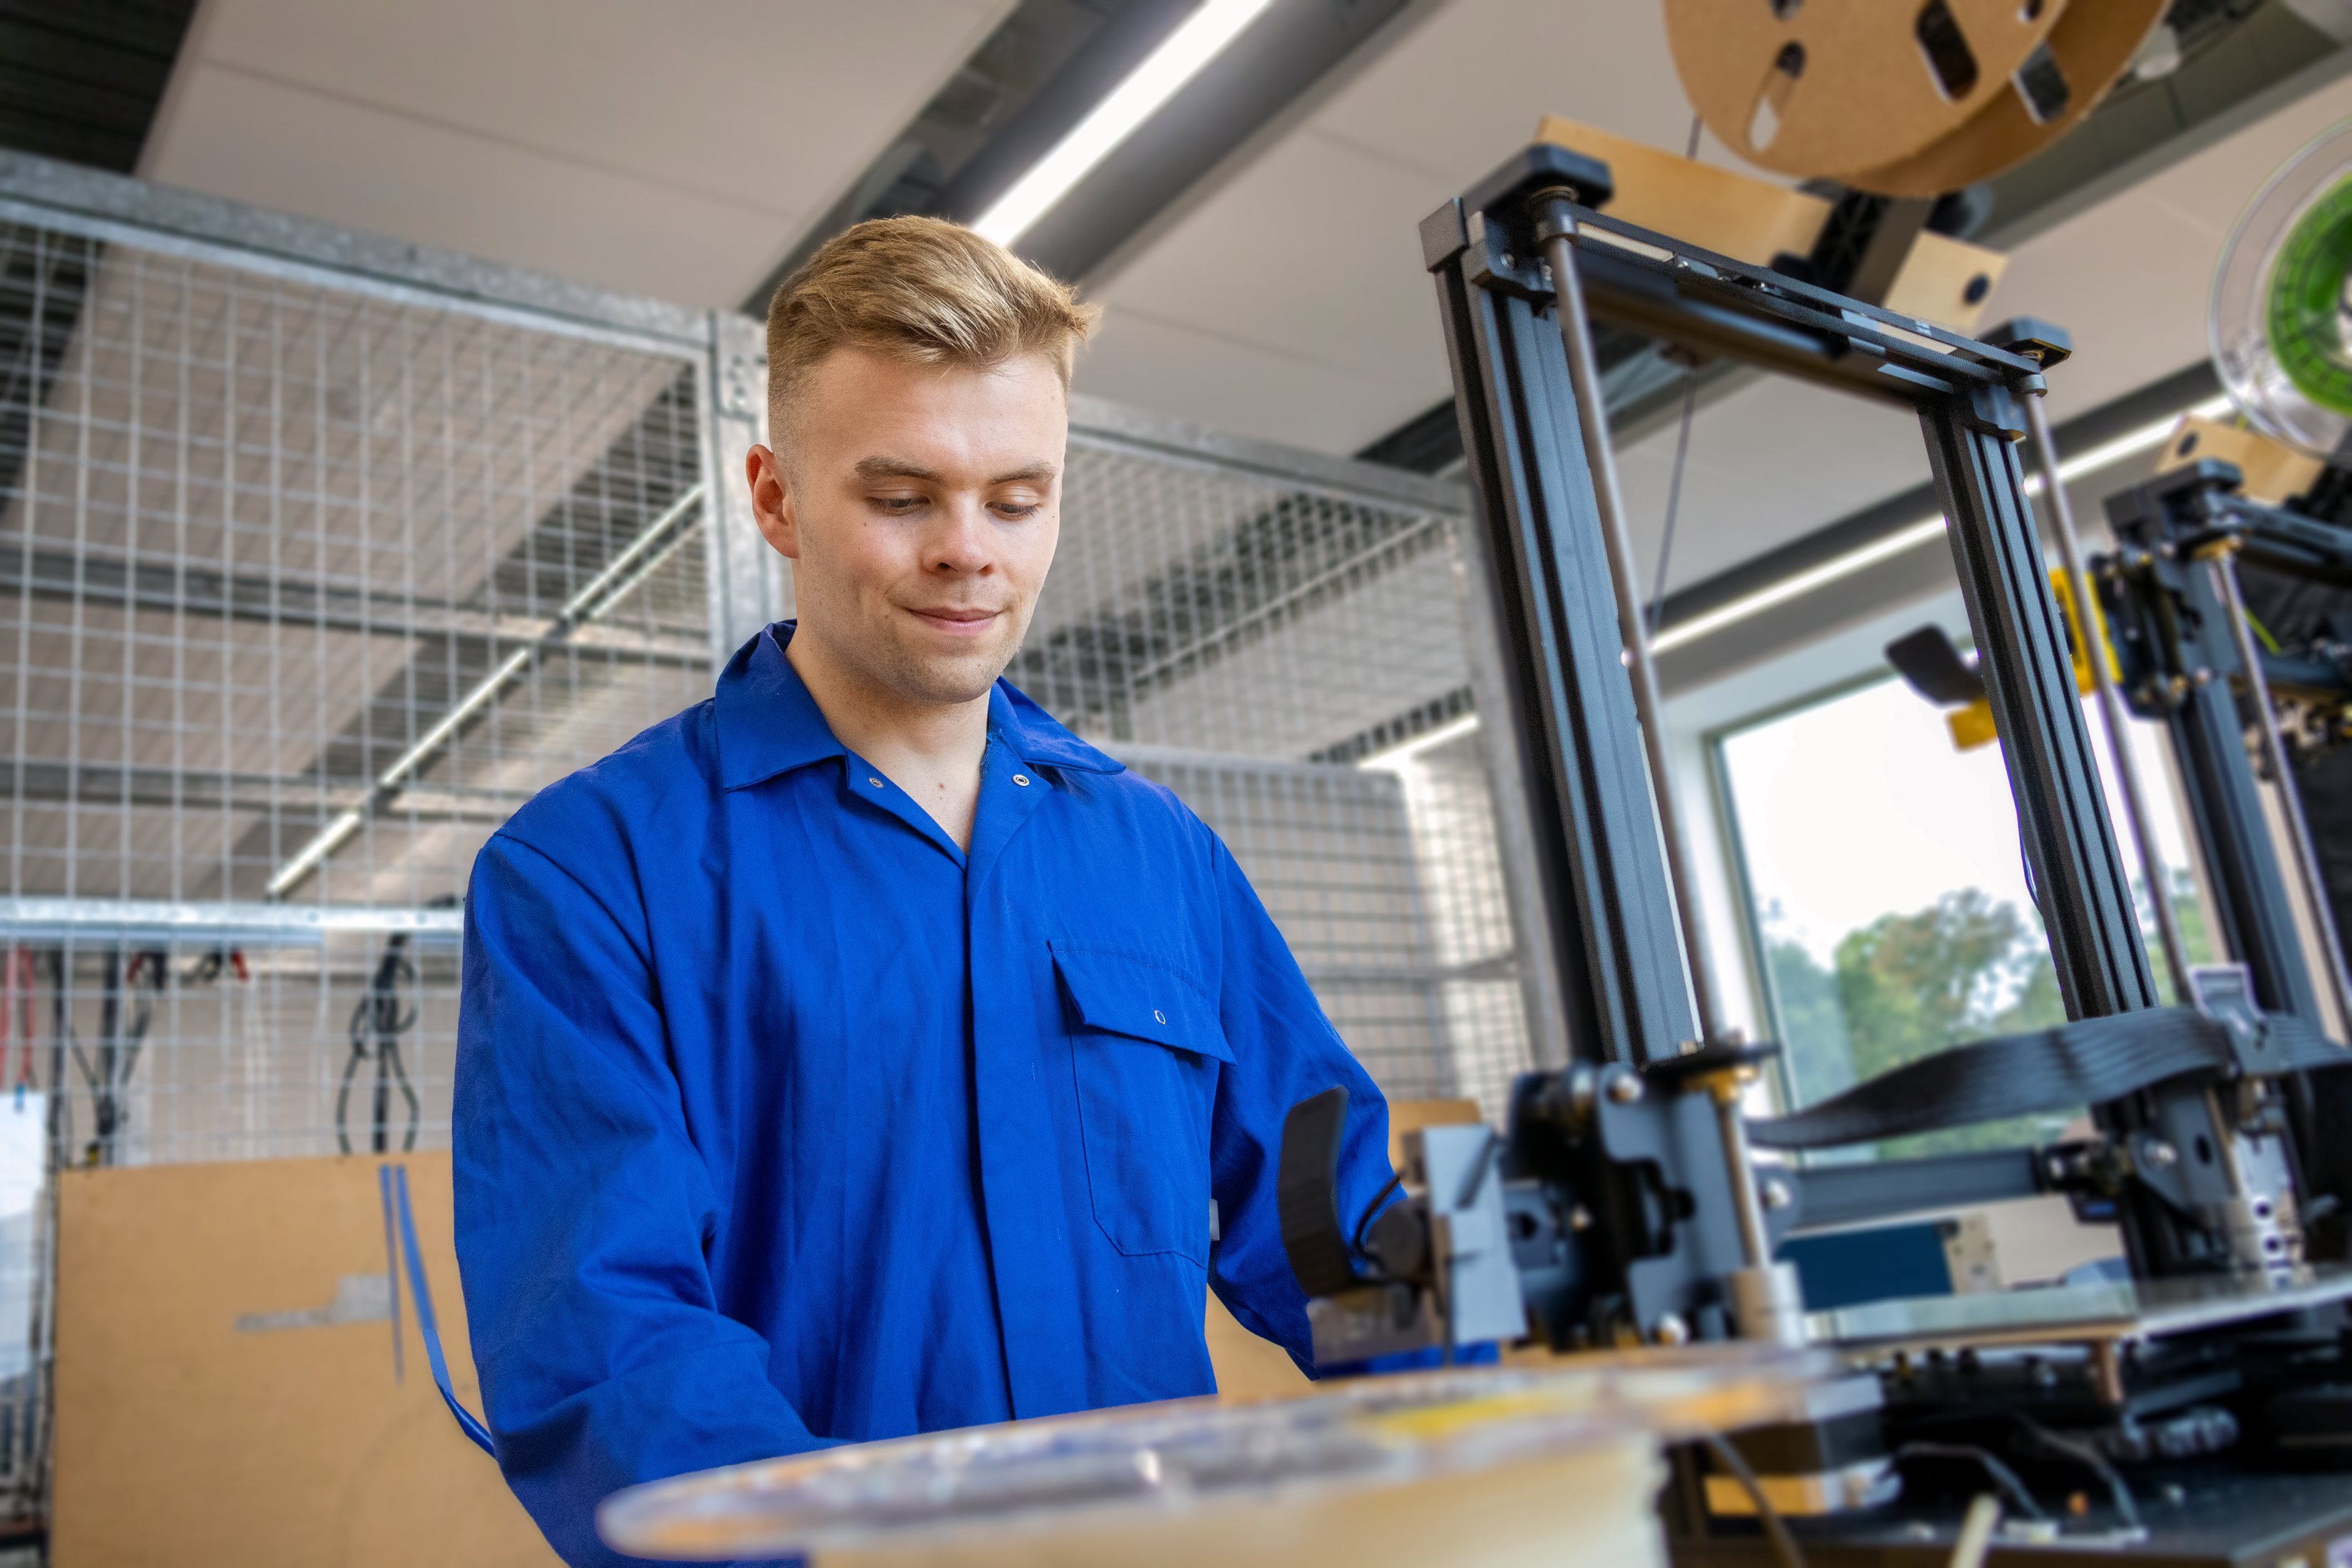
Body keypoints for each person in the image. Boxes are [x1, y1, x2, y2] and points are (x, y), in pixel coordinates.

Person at [453, 216, 1399, 1566]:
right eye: (903, 498)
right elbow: (607, 1340)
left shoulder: (1159, 857)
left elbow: (1323, 1214)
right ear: (776, 497)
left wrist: (1520, 1374)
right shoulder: (592, 875)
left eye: (1019, 499)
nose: (972, 551)